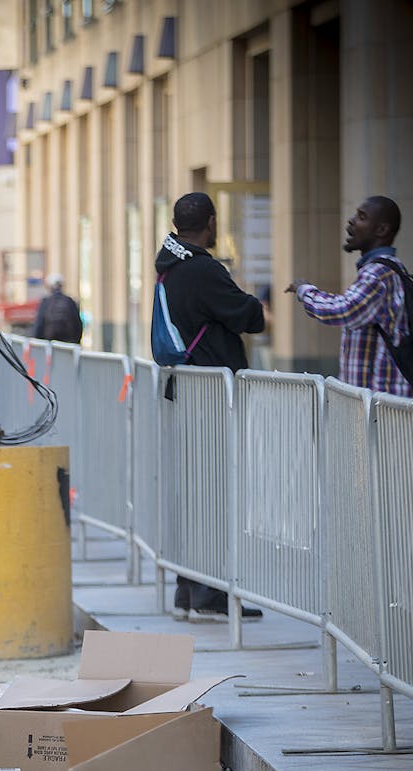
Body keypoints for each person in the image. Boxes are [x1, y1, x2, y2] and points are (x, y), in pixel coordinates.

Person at [155, 192, 265, 623]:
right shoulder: (202, 269)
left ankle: (189, 589)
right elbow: (247, 315)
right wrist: (256, 304)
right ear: (211, 222)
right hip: (212, 397)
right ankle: (209, 593)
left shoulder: (170, 266)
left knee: (198, 493)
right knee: (216, 495)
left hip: (188, 392)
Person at [285, 195, 413, 396]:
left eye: (361, 217)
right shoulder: (382, 270)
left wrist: (305, 290)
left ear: (381, 230)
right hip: (374, 407)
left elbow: (343, 310)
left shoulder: (378, 274)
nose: (351, 221)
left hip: (381, 409)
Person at [33, 274, 83, 343]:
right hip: (68, 343)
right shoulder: (70, 301)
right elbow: (78, 324)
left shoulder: (46, 302)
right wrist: (77, 342)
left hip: (50, 343)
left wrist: (38, 342)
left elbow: (39, 324)